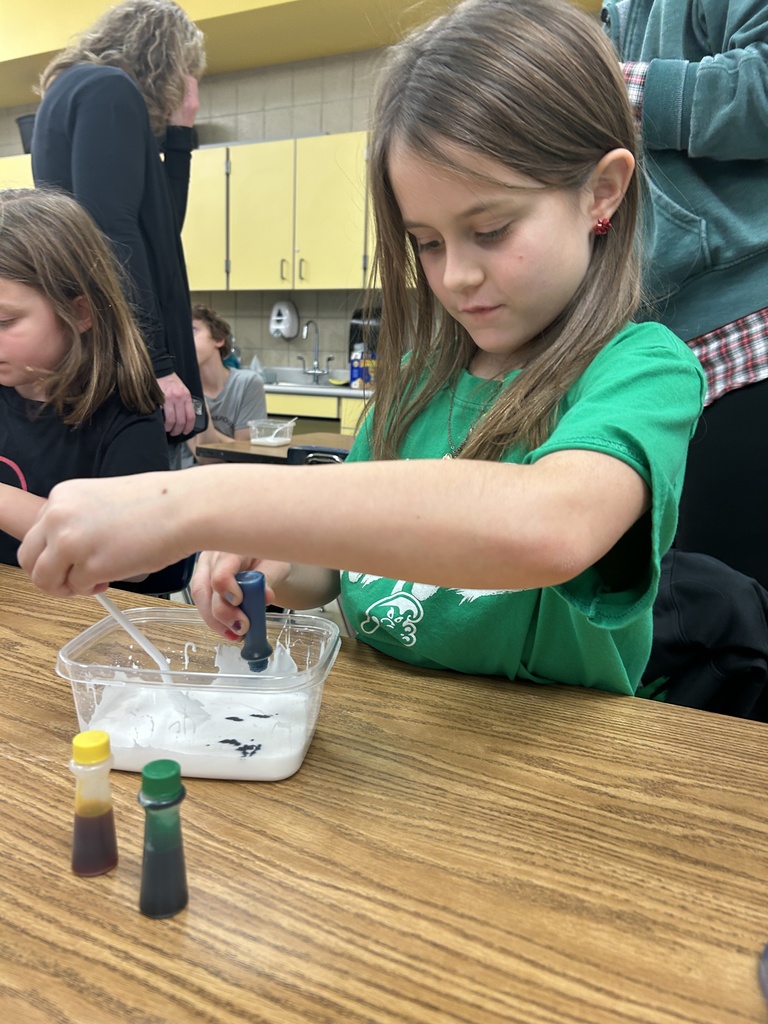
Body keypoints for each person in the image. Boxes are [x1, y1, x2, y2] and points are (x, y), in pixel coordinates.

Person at [19, 0, 706, 698]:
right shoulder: (413, 381)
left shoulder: (645, 369)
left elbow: (549, 527)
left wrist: (196, 502)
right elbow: (345, 574)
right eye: (427, 243)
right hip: (385, 747)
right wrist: (279, 563)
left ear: (602, 191)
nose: (455, 276)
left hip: (552, 772)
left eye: (492, 229)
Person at [601, 0, 768, 588]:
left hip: (747, 340)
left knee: (734, 609)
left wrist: (608, 92)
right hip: (657, 349)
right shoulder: (616, 14)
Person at [30, 0, 207, 463]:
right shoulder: (109, 89)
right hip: (131, 369)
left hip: (103, 358)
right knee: (154, 524)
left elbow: (162, 231)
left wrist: (180, 135)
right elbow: (112, 233)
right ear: (166, 58)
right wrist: (158, 366)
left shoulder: (74, 94)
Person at [0, 188, 168, 567]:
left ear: (79, 313)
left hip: (96, 616)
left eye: (5, 322)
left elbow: (132, 555)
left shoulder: (128, 412)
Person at [181, 305, 267, 467]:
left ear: (219, 339)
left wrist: (220, 439)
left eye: (192, 330)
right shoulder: (181, 389)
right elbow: (205, 457)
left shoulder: (247, 384)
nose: (183, 339)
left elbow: (244, 456)